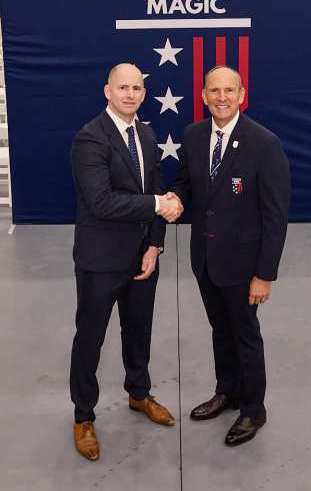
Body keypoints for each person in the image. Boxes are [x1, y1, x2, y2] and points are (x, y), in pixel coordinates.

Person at [168, 65, 290, 446]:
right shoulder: (193, 136)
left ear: (242, 95)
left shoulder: (264, 144)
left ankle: (254, 409)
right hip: (205, 259)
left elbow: (275, 217)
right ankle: (228, 392)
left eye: (229, 91)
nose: (221, 97)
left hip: (243, 265)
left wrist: (265, 274)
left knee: (245, 335)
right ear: (203, 96)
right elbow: (187, 185)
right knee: (221, 330)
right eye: (214, 90)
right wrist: (174, 200)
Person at [68, 63, 184, 461]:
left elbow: (154, 187)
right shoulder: (89, 139)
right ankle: (84, 416)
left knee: (139, 332)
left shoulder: (147, 134)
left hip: (141, 258)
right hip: (100, 261)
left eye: (137, 87)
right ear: (107, 91)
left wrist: (155, 246)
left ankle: (139, 393)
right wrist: (158, 205)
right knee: (90, 339)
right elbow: (101, 203)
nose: (131, 94)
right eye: (123, 87)